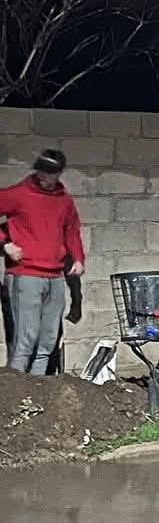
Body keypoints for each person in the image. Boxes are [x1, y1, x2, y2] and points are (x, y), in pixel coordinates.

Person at [0, 150, 85, 376]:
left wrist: (77, 257)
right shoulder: (17, 194)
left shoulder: (64, 201)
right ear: (37, 171)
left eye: (54, 174)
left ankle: (38, 391)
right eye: (44, 173)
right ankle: (16, 396)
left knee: (48, 341)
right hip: (25, 275)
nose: (48, 178)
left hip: (55, 276)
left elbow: (72, 231)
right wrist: (5, 244)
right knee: (25, 341)